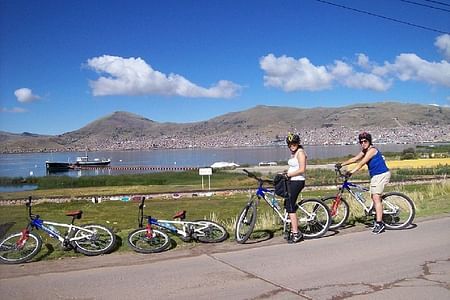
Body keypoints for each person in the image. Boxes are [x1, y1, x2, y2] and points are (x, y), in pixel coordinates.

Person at [336, 132, 391, 234]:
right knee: (374, 196)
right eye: (361, 142)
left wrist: (351, 172)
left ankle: (380, 223)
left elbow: (361, 163)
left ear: (369, 141)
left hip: (381, 174)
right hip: (375, 176)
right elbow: (355, 159)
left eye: (365, 141)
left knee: (376, 197)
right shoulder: (364, 150)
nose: (363, 143)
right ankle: (377, 216)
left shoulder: (372, 150)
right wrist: (341, 164)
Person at [284, 132, 307, 243]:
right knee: (287, 203)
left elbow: (302, 169)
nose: (291, 145)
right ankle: (290, 228)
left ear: (298, 143)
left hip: (297, 181)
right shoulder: (294, 153)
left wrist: (288, 175)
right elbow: (293, 167)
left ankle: (296, 233)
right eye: (290, 144)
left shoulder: (300, 153)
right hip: (292, 181)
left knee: (290, 206)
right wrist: (284, 173)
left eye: (294, 143)